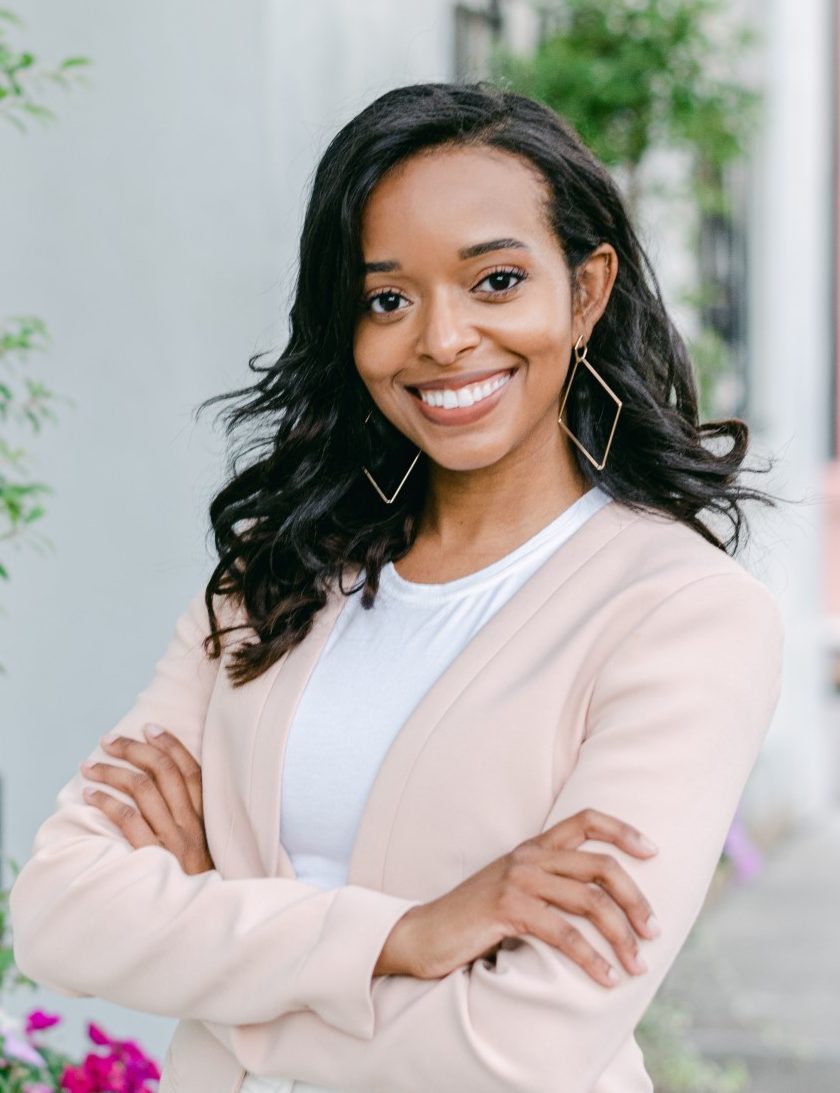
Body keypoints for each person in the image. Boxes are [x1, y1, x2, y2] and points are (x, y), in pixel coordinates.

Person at [9, 82, 785, 1093]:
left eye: (497, 281)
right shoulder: (275, 575)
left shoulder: (680, 616)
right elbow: (61, 912)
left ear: (586, 291)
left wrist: (220, 948)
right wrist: (410, 934)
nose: (442, 339)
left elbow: (527, 1046)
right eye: (387, 298)